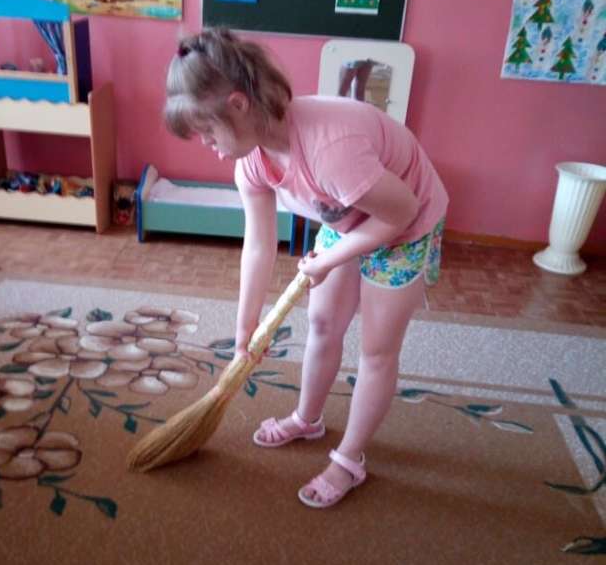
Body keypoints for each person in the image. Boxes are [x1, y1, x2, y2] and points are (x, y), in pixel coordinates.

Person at [164, 28, 448, 509]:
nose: (208, 145)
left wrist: (331, 259)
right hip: (348, 214)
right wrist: (246, 327)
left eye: (208, 132)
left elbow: (400, 212)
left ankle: (350, 459)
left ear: (238, 105)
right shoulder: (252, 162)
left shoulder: (329, 149)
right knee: (322, 323)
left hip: (405, 225)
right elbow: (258, 245)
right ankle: (307, 419)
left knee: (377, 350)